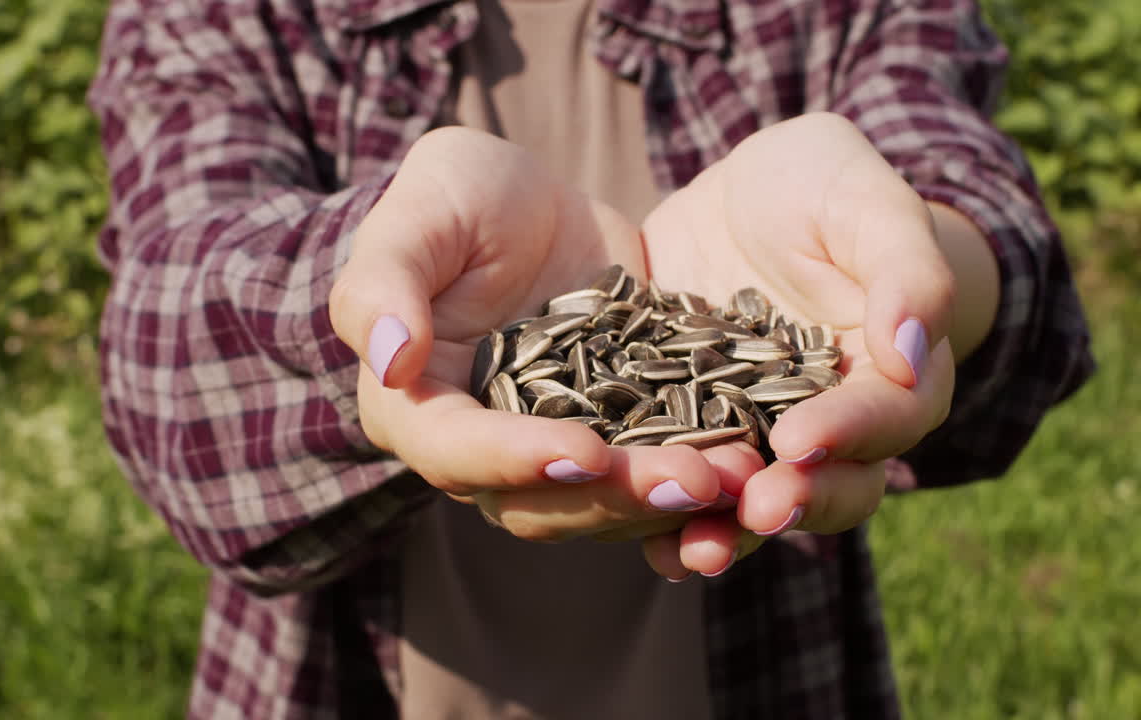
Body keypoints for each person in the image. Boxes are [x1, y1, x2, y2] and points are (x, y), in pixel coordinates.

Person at [88, 0, 1094, 716]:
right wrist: (373, 296)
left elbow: (971, 192)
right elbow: (158, 343)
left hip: (761, 667)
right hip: (346, 679)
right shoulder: (242, 13)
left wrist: (918, 270)